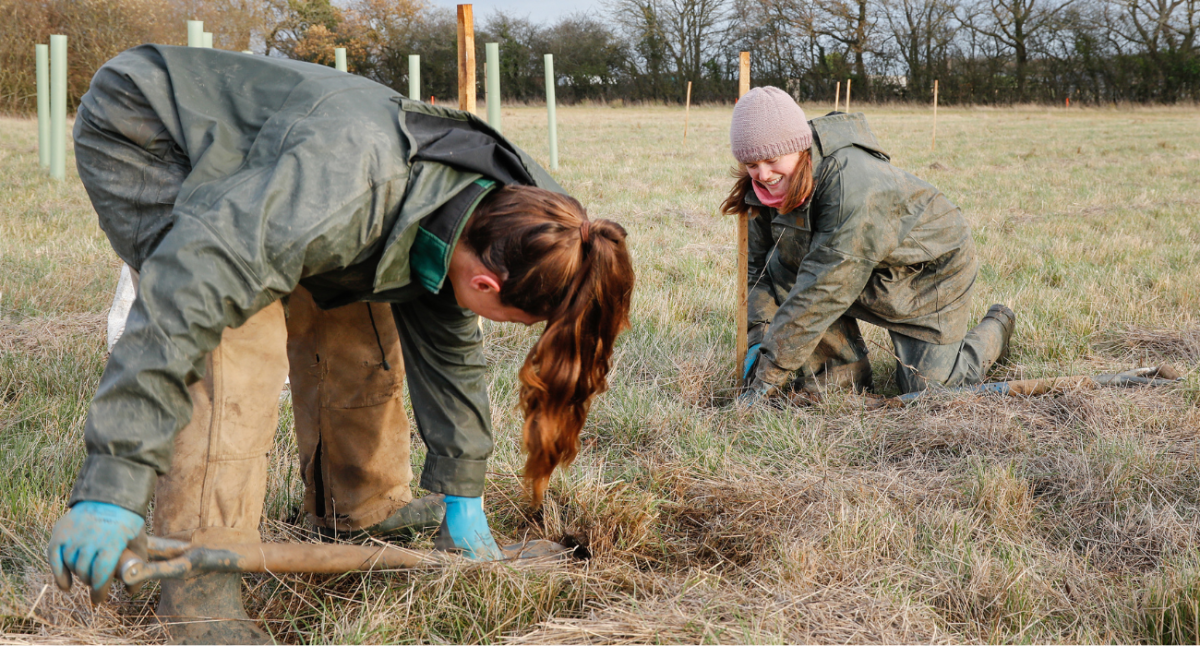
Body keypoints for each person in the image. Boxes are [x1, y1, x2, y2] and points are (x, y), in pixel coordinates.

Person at [46, 45, 634, 643]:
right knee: (233, 336)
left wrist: (463, 493)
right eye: (516, 320)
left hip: (300, 172)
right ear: (487, 283)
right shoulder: (353, 192)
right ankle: (202, 592)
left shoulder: (533, 221)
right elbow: (182, 301)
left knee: (362, 308)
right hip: (148, 128)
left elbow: (447, 337)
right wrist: (111, 487)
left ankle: (362, 512)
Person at [724, 87, 1015, 402]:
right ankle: (842, 376)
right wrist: (759, 336)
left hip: (929, 270)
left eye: (771, 160)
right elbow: (759, 269)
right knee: (786, 259)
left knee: (930, 393)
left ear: (800, 148)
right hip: (856, 265)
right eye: (752, 164)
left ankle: (999, 323)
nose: (763, 175)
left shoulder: (851, 183)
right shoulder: (761, 189)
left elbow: (825, 290)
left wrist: (767, 377)